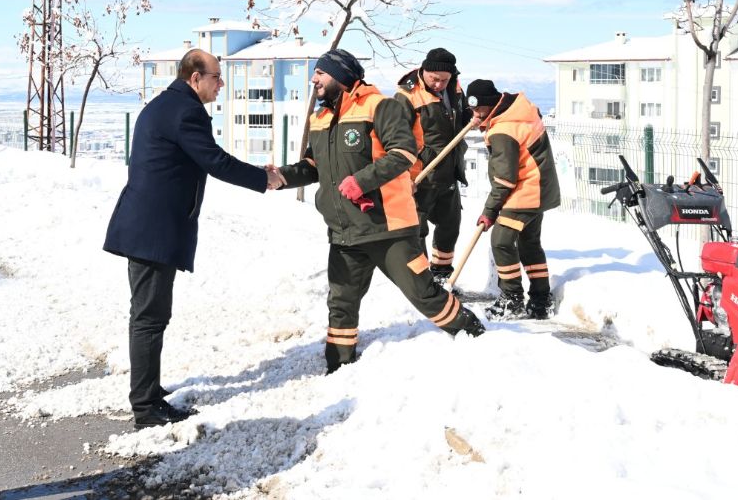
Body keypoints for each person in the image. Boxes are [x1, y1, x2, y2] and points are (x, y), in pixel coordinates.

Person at [273, 49, 485, 374]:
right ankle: (339, 367)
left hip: (390, 229)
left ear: (342, 77)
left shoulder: (380, 107)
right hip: (345, 232)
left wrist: (361, 181)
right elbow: (314, 165)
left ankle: (477, 337)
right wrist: (282, 177)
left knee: (424, 294)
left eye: (321, 72)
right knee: (341, 303)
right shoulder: (320, 118)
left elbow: (403, 152)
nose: (314, 79)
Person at [103, 49, 280, 429]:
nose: (221, 84)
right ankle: (146, 406)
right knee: (150, 316)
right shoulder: (184, 111)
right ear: (194, 77)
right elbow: (214, 161)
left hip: (150, 224)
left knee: (151, 314)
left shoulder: (169, 104)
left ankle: (148, 390)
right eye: (216, 76)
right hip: (153, 228)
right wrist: (263, 179)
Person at [466, 79, 560, 320]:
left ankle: (512, 299)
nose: (476, 115)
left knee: (501, 242)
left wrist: (490, 211)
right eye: (472, 110)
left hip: (525, 191)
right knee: (529, 244)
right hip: (539, 188)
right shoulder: (517, 112)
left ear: (491, 104)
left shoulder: (503, 130)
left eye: (480, 111)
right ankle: (541, 300)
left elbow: (505, 179)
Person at [393, 48, 470, 284]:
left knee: (450, 227)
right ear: (423, 71)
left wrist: (475, 117)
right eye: (433, 78)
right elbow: (397, 139)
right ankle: (423, 285)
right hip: (420, 177)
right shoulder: (407, 96)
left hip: (449, 172)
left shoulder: (455, 88)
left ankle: (441, 277)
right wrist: (407, 175)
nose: (438, 84)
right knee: (417, 232)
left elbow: (464, 117)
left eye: (443, 80)